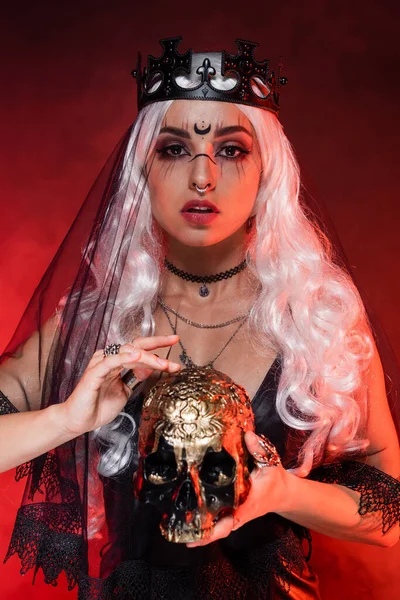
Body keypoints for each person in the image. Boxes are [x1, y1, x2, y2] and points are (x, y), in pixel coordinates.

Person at [0, 36, 399, 599]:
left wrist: (281, 493)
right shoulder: (97, 325)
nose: (203, 177)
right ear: (143, 169)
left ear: (269, 173)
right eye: (174, 149)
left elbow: (393, 513)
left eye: (232, 150)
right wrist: (65, 420)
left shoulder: (316, 320)